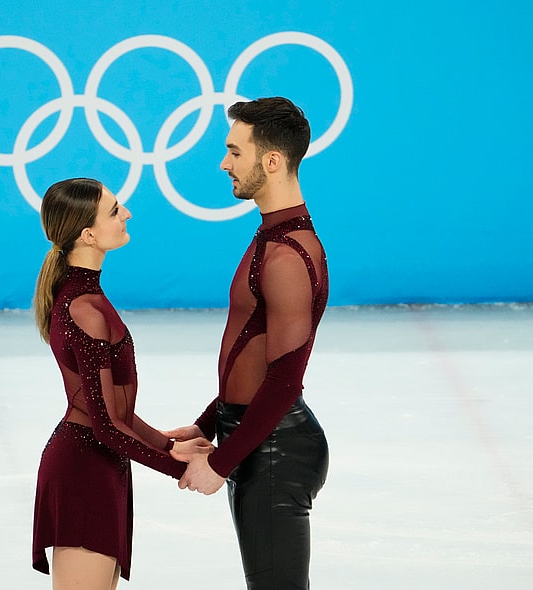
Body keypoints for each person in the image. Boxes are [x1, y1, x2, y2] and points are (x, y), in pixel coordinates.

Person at [166, 97, 330, 590]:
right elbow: (250, 356)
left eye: (235, 152)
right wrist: (207, 424)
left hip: (275, 447)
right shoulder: (271, 237)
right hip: (255, 438)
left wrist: (221, 461)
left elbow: (284, 380)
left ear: (272, 161)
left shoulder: (287, 255)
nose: (224, 163)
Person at [30, 177, 211, 589]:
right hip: (83, 473)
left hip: (99, 467)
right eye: (114, 210)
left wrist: (168, 444)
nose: (126, 213)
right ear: (88, 235)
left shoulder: (85, 297)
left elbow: (114, 412)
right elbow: (107, 426)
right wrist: (179, 468)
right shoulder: (85, 309)